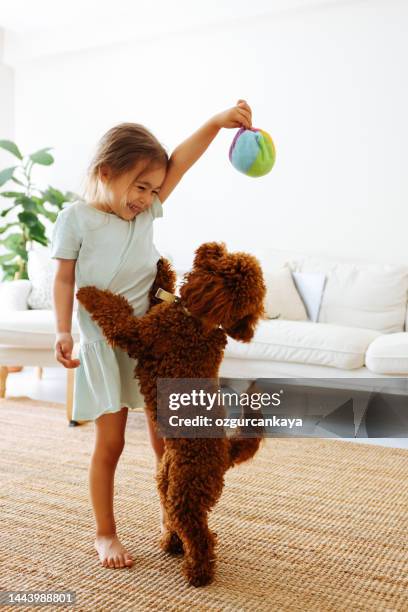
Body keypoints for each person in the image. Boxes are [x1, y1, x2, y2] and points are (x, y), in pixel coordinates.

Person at [51, 99, 253, 570]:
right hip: (105, 346)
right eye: (139, 186)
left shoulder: (144, 214)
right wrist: (62, 331)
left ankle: (174, 520)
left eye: (153, 189)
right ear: (106, 171)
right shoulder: (76, 219)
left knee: (169, 440)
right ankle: (105, 533)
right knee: (112, 443)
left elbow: (180, 159)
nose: (146, 197)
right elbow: (63, 278)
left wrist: (215, 123)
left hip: (154, 347)